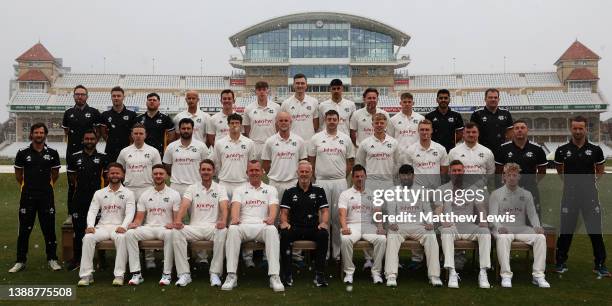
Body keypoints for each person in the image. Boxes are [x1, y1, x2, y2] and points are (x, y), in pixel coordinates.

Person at [554, 116, 609, 277]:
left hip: (590, 197)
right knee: (566, 230)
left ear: (586, 129)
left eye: (581, 128)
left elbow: (599, 170)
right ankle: (560, 261)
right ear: (571, 129)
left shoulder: (596, 150)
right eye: (575, 128)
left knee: (595, 231)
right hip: (569, 196)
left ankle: (600, 264)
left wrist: (587, 185)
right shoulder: (562, 150)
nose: (578, 131)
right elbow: (560, 171)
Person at [221, 160, 284, 292]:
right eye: (251, 170)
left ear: (262, 172)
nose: (254, 173)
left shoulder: (270, 189)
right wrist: (235, 218)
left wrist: (271, 218)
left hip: (262, 225)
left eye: (257, 170)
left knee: (272, 230)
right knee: (232, 229)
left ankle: (274, 276)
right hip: (244, 225)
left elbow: (274, 207)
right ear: (247, 173)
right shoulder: (239, 190)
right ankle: (231, 275)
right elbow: (235, 207)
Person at [9, 123, 62, 273]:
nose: (39, 135)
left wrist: (44, 186)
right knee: (24, 230)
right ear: (31, 134)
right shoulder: (22, 153)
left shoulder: (52, 153)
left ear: (45, 135)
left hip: (46, 196)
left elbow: (55, 174)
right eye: (36, 132)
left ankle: (52, 259)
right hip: (27, 196)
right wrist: (28, 187)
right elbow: (19, 176)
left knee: (49, 229)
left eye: (41, 132)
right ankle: (20, 261)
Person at [489, 163, 550, 288]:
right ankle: (506, 276)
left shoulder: (526, 194)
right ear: (504, 177)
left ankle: (538, 275)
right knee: (503, 238)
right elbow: (492, 216)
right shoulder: (496, 194)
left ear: (519, 177)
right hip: (503, 228)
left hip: (521, 227)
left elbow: (532, 214)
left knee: (541, 238)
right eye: (509, 175)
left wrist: (537, 227)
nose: (511, 177)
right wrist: (499, 226)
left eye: (514, 175)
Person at [172, 159, 229, 287]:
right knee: (176, 231)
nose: (206, 172)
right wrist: (178, 220)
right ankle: (184, 274)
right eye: (203, 170)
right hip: (195, 228)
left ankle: (215, 273)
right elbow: (184, 205)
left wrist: (223, 221)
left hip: (212, 228)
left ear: (213, 171)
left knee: (223, 230)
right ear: (199, 171)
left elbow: (224, 207)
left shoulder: (220, 188)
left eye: (208, 170)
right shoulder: (192, 188)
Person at [77, 163, 135, 286]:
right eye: (112, 173)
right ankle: (86, 275)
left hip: (118, 227)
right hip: (102, 227)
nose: (115, 175)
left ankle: (119, 275)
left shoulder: (129, 193)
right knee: (88, 238)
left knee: (121, 238)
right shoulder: (99, 193)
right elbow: (92, 211)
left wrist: (124, 226)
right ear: (107, 175)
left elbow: (130, 213)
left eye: (117, 173)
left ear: (123, 175)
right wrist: (90, 226)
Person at [384, 165, 442, 287]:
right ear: (399, 176)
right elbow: (390, 210)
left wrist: (430, 223)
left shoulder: (422, 190)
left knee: (431, 235)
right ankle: (391, 275)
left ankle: (434, 276)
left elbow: (427, 210)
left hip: (418, 225)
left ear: (413, 176)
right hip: (400, 225)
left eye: (409, 175)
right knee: (392, 235)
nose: (406, 177)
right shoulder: (392, 191)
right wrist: (392, 223)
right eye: (403, 175)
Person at [438, 160, 491, 289]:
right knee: (445, 232)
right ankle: (452, 272)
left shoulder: (473, 189)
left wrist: (483, 220)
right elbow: (438, 210)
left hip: (468, 225)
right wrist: (442, 220)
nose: (457, 173)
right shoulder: (442, 189)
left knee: (485, 232)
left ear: (464, 172)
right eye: (454, 171)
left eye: (460, 170)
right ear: (450, 172)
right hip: (451, 226)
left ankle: (483, 272)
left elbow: (481, 209)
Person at [308, 109, 354, 259]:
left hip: (340, 182)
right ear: (325, 120)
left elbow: (350, 162)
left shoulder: (345, 139)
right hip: (321, 182)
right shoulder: (316, 138)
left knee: (338, 218)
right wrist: (316, 177)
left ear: (339, 120)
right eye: (329, 119)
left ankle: (337, 252)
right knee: (323, 219)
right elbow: (311, 161)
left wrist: (341, 176)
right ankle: (324, 252)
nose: (332, 121)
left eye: (335, 119)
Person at [125, 165, 181, 286]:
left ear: (166, 175)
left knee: (171, 234)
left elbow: (177, 218)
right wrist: (135, 224)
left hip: (165, 228)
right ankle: (136, 274)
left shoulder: (174, 194)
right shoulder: (145, 194)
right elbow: (139, 218)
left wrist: (173, 224)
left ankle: (167, 274)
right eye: (155, 174)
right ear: (152, 175)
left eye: (161, 173)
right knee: (130, 233)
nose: (158, 176)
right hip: (149, 228)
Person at [279, 161, 329, 287]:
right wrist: (284, 222)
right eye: (302, 171)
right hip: (295, 228)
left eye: (307, 172)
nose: (304, 174)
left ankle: (319, 275)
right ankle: (287, 274)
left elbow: (325, 210)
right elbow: (284, 212)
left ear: (311, 173)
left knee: (323, 234)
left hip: (313, 228)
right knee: (284, 234)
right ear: (297, 173)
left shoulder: (319, 190)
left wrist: (323, 222)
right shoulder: (289, 191)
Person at [65, 129, 109, 271]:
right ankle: (77, 259)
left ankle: (100, 259)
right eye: (87, 139)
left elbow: (107, 180)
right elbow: (72, 180)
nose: (89, 141)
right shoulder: (74, 157)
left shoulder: (103, 157)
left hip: (98, 200)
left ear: (96, 140)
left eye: (92, 139)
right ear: (83, 140)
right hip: (80, 199)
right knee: (79, 231)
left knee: (99, 230)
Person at [339, 164, 387, 285]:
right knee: (345, 239)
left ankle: (376, 272)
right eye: (357, 176)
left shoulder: (373, 194)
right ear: (353, 177)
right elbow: (342, 213)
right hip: (352, 225)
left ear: (366, 177)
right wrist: (344, 227)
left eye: (362, 176)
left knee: (381, 239)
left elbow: (378, 213)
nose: (360, 179)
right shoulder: (345, 194)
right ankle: (349, 272)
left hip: (368, 225)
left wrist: (380, 227)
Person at [62, 85, 102, 220]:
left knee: (93, 182)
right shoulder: (68, 113)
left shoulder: (94, 112)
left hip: (90, 151)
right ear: (74, 96)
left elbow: (98, 133)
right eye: (77, 94)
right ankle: (71, 212)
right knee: (72, 183)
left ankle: (96, 211)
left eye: (82, 94)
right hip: (72, 152)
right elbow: (67, 132)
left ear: (87, 96)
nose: (80, 96)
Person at [495, 120, 547, 216]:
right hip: (509, 189)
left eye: (522, 128)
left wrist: (532, 181)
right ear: (512, 131)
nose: (519, 130)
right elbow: (498, 170)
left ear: (527, 130)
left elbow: (542, 171)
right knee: (509, 219)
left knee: (533, 219)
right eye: (517, 128)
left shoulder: (537, 149)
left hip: (530, 189)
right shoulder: (503, 148)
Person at [262, 111, 307, 199]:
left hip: (293, 182)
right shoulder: (270, 141)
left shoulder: (299, 141)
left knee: (293, 212)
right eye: (281, 120)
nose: (283, 123)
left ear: (290, 122)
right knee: (274, 211)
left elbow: (303, 163)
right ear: (277, 123)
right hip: (274, 183)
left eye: (286, 120)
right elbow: (266, 164)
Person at [211, 113, 256, 197]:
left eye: (237, 123)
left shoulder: (249, 143)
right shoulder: (219, 143)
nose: (234, 125)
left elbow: (251, 164)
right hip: (224, 183)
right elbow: (217, 164)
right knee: (224, 209)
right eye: (232, 123)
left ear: (241, 125)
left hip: (242, 182)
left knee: (241, 210)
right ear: (228, 124)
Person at [162, 118, 210, 196]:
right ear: (179, 129)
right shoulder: (171, 146)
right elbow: (167, 166)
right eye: (183, 128)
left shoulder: (201, 146)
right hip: (176, 186)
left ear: (193, 129)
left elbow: (206, 166)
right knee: (176, 209)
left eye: (188, 128)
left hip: (196, 185)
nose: (186, 131)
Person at [116, 123, 162, 202]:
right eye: (136, 133)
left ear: (145, 135)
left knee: (147, 214)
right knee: (130, 214)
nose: (138, 136)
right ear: (132, 135)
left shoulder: (153, 151)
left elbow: (159, 172)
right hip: (129, 189)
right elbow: (119, 171)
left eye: (141, 133)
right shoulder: (124, 151)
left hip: (148, 188)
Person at [355, 113, 400, 192]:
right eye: (376, 123)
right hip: (370, 182)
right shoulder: (365, 143)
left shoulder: (394, 142)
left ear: (386, 125)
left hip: (388, 182)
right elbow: (360, 163)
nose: (379, 125)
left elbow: (397, 163)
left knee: (388, 204)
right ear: (372, 124)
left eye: (382, 123)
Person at [401, 119, 448, 189]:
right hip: (417, 191)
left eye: (427, 129)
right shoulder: (410, 150)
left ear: (431, 130)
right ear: (418, 131)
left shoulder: (441, 149)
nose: (424, 132)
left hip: (436, 189)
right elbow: (408, 173)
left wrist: (442, 187)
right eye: (422, 130)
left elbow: (444, 170)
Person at [469, 88, 513, 160]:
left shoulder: (506, 113)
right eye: (490, 97)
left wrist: (508, 148)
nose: (493, 99)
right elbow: (473, 134)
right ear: (485, 99)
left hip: (501, 151)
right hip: (482, 152)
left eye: (495, 97)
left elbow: (510, 134)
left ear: (498, 99)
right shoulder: (477, 114)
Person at [448, 122, 495, 188]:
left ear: (478, 134)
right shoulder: (453, 152)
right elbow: (450, 172)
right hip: (460, 190)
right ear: (463, 134)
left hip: (481, 190)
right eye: (468, 132)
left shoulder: (487, 152)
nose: (471, 134)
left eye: (474, 132)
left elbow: (491, 172)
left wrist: (482, 183)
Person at [243, 81, 280, 159]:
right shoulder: (248, 108)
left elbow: (278, 126)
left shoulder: (276, 107)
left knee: (271, 169)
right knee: (255, 169)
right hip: (255, 145)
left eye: (264, 89)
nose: (262, 92)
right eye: (259, 90)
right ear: (256, 92)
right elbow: (246, 128)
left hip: (271, 144)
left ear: (268, 91)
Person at [100, 86, 137, 162]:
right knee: (111, 173)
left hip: (127, 151)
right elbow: (103, 133)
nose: (116, 98)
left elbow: (134, 133)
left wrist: (129, 145)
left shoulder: (132, 115)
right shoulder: (105, 115)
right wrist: (111, 142)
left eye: (119, 96)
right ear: (111, 97)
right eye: (114, 96)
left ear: (123, 97)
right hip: (110, 151)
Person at [281, 74, 319, 144]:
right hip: (292, 142)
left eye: (302, 83)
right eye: (297, 83)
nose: (300, 85)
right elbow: (281, 124)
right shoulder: (285, 103)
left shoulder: (314, 102)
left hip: (309, 142)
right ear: (293, 85)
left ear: (306, 85)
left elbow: (316, 125)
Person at [136, 92, 175, 157]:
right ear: (146, 102)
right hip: (141, 152)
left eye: (154, 100)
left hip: (159, 152)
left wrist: (167, 151)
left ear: (159, 103)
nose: (152, 102)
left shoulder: (165, 118)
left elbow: (171, 137)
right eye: (149, 100)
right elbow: (133, 136)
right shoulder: (139, 118)